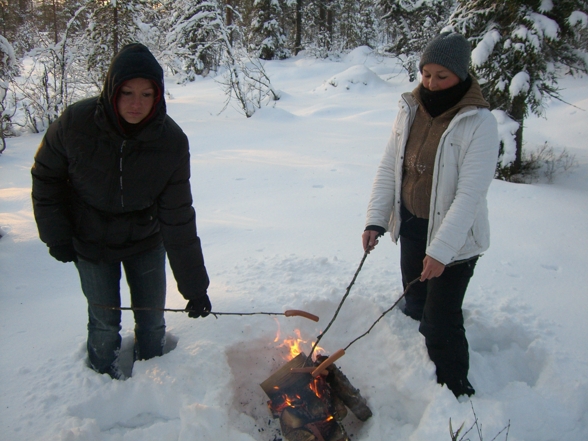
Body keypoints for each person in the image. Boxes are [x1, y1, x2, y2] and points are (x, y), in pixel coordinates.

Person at [31, 43, 211, 379]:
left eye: (146, 94)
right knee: (104, 321)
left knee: (152, 319)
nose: (136, 103)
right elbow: (46, 177)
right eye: (127, 92)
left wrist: (195, 287)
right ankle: (102, 380)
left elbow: (178, 215)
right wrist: (56, 235)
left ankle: (153, 378)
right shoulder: (75, 123)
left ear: (158, 96)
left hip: (145, 240)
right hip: (91, 241)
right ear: (112, 90)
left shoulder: (171, 142)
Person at [362, 32, 499, 398]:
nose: (431, 83)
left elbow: (470, 195)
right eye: (426, 73)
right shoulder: (410, 108)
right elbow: (391, 166)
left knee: (441, 321)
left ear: (461, 75)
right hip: (411, 227)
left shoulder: (479, 123)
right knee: (417, 301)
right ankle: (413, 356)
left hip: (456, 242)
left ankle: (455, 390)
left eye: (442, 75)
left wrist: (440, 251)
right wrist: (376, 219)